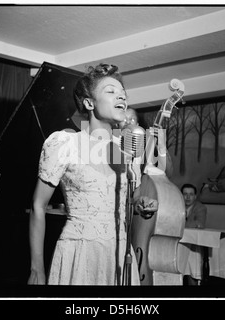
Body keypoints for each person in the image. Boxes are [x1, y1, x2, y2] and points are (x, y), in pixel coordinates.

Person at [27, 63, 159, 286]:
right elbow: (38, 206)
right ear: (89, 103)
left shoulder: (126, 147)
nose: (121, 97)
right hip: (79, 251)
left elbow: (128, 199)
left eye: (122, 93)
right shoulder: (65, 143)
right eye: (110, 91)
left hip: (119, 254)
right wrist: (36, 268)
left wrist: (141, 204)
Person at [181, 183, 207, 286]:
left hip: (193, 245)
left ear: (195, 196)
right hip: (178, 243)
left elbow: (199, 224)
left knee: (192, 272)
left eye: (191, 194)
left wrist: (180, 224)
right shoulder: (176, 205)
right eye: (185, 194)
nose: (187, 197)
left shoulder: (200, 208)